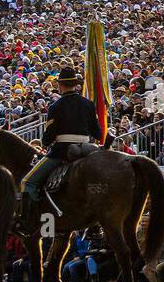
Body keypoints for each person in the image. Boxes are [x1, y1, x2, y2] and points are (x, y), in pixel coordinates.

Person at [17, 67, 101, 234]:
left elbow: (48, 138)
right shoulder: (89, 104)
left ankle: (28, 223)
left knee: (28, 183)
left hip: (62, 151)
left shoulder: (56, 106)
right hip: (87, 149)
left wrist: (47, 142)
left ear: (60, 85)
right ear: (76, 85)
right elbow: (97, 133)